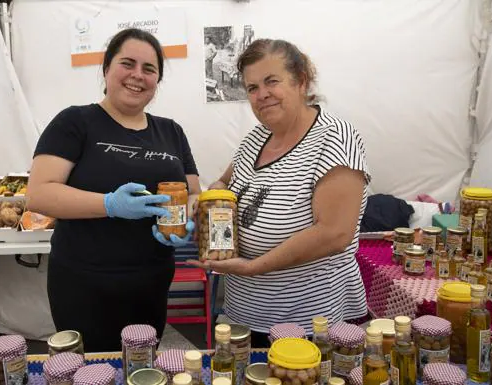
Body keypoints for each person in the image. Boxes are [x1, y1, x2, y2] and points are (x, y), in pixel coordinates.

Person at [26, 28, 200, 352]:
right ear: (106, 69)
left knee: (141, 363)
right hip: (84, 282)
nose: (138, 75)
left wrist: (184, 219)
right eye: (128, 64)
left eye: (149, 69)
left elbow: (192, 192)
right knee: (92, 367)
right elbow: (38, 193)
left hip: (152, 279)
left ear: (157, 81)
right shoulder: (75, 122)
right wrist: (109, 204)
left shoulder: (171, 131)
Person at [189, 39, 371, 347]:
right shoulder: (255, 138)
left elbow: (334, 234)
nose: (262, 95)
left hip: (306, 325)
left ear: (301, 81)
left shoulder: (335, 137)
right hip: (242, 315)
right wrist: (208, 203)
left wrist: (251, 268)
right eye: (252, 88)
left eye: (271, 81)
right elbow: (223, 181)